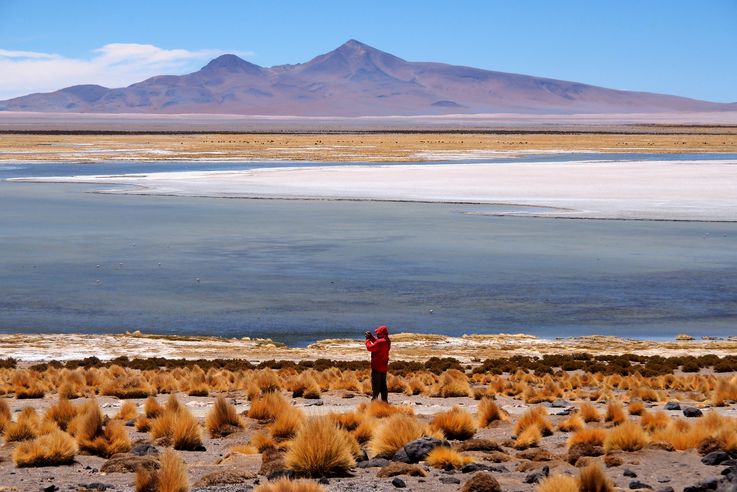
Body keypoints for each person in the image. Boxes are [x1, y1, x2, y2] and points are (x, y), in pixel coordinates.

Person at [365, 325, 391, 402]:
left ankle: (374, 403)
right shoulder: (387, 340)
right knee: (383, 385)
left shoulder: (381, 342)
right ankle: (384, 401)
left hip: (377, 367)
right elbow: (377, 343)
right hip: (384, 367)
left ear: (381, 334)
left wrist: (367, 340)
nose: (377, 334)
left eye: (378, 333)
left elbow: (370, 348)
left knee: (375, 386)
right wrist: (371, 337)